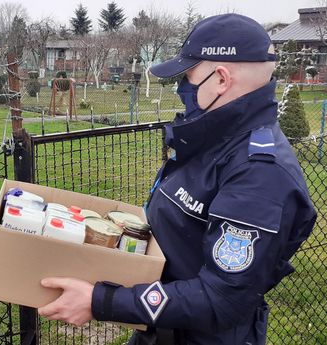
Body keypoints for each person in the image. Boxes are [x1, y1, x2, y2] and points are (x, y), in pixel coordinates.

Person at [37, 14, 317, 345]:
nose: (182, 89)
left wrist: (101, 301)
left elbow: (221, 299)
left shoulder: (259, 174)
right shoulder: (214, 137)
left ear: (222, 79)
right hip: (160, 327)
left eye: (188, 77)